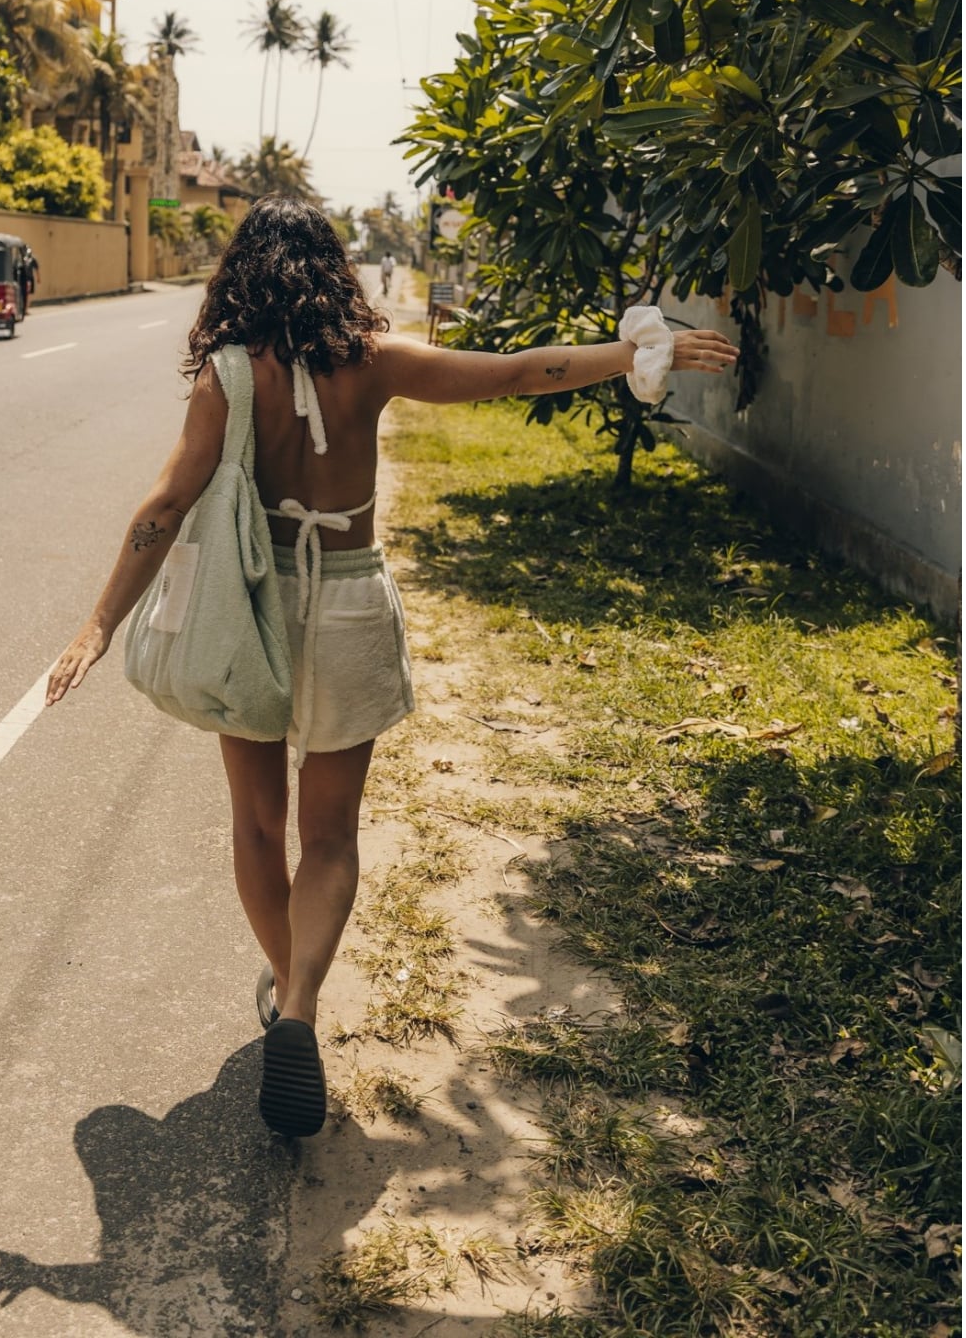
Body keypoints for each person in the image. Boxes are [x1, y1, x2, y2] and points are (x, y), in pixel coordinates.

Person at [44, 197, 737, 1137]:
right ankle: (297, 1009)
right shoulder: (374, 361)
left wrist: (97, 623)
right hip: (348, 604)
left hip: (251, 609)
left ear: (239, 275)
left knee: (257, 824)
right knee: (329, 835)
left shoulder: (229, 376)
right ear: (332, 268)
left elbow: (166, 504)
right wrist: (638, 354)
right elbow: (519, 373)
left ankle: (288, 984)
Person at [18, 247, 39, 317]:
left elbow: (36, 269)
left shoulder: (31, 259)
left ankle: (26, 308)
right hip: (26, 279)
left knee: (28, 294)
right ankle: (25, 309)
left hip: (29, 279)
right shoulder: (23, 259)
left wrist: (38, 278)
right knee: (26, 294)